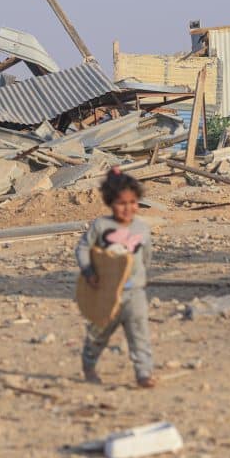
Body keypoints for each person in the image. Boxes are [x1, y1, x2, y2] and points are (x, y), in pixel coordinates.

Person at [75, 166, 155, 388]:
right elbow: (83, 249)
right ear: (111, 203)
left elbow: (145, 256)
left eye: (133, 203)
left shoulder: (142, 228)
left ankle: (144, 373)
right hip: (107, 291)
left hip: (134, 292)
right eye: (122, 203)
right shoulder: (101, 226)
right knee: (99, 331)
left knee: (139, 333)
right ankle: (89, 365)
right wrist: (89, 271)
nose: (128, 208)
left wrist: (141, 278)